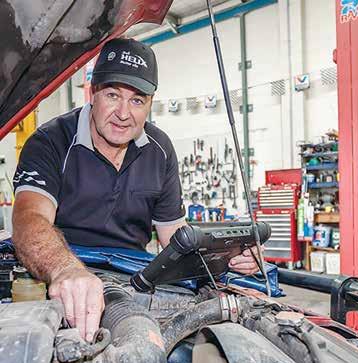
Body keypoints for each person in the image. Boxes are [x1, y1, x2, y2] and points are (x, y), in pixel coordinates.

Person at [12, 38, 258, 342]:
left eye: (137, 100)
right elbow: (29, 220)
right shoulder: (50, 141)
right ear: (93, 92)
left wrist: (226, 258)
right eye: (113, 95)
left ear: (150, 103)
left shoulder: (160, 150)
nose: (123, 113)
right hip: (67, 276)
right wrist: (64, 270)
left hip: (134, 280)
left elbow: (174, 238)